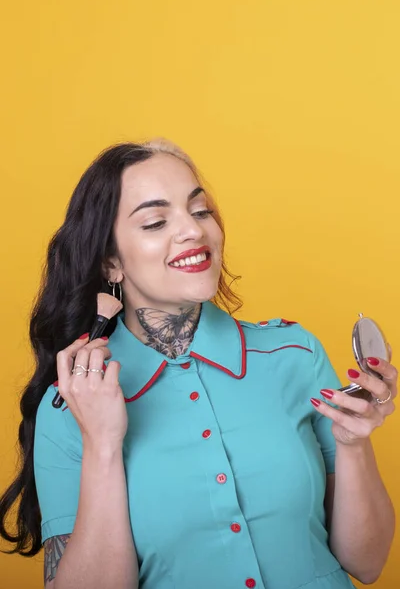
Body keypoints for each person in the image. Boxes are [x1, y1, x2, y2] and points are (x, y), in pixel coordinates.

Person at [0, 139, 396, 589]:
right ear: (111, 262)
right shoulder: (70, 402)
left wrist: (351, 444)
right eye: (155, 221)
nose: (193, 230)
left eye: (200, 210)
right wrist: (103, 446)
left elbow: (367, 563)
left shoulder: (296, 354)